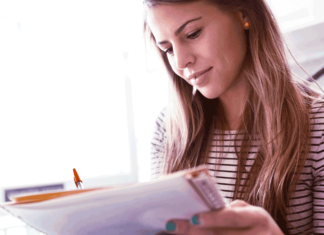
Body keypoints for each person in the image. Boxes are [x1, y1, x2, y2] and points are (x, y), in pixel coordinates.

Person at [144, 0, 324, 234]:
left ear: (243, 15)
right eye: (168, 48)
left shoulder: (318, 125)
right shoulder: (167, 128)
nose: (180, 62)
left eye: (193, 34)